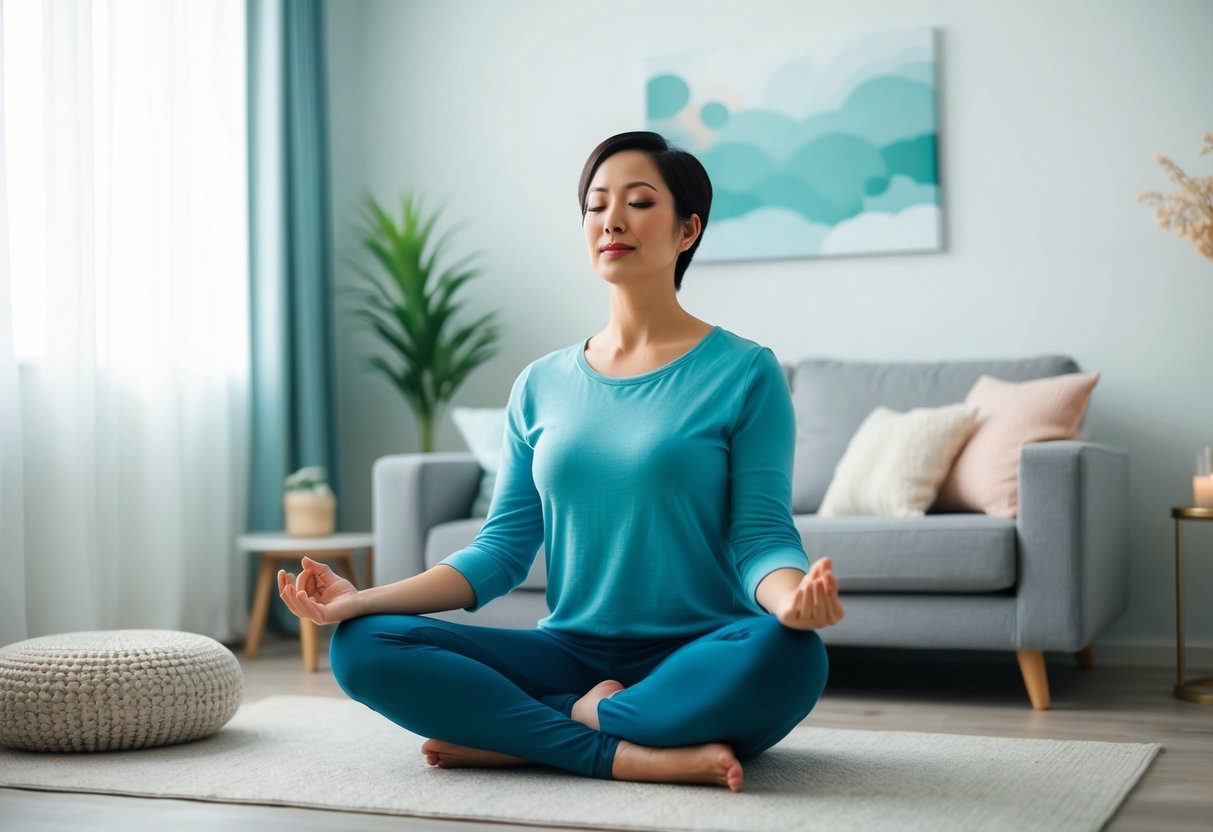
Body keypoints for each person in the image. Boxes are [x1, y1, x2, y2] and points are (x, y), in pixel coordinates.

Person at [277, 131, 844, 793]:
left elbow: (760, 536)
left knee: (792, 656)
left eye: (637, 201)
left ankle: (531, 732)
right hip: (567, 651)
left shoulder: (744, 371)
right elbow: (500, 552)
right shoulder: (540, 383)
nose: (611, 219)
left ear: (687, 230)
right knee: (363, 645)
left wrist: (790, 602)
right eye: (596, 204)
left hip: (699, 653)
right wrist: (359, 600)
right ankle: (617, 749)